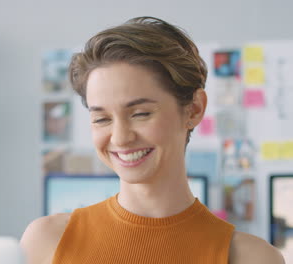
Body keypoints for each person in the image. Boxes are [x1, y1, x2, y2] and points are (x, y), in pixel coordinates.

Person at [20, 17, 285, 264]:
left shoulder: (250, 257)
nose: (121, 137)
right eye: (102, 119)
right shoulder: (46, 241)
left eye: (140, 113)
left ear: (193, 110)